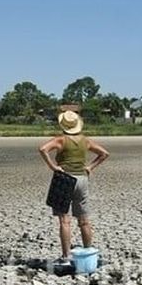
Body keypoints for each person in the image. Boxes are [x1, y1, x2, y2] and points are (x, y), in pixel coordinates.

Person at [38, 110, 109, 263]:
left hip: (65, 179)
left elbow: (43, 149)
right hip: (82, 179)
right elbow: (104, 154)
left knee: (65, 220)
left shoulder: (61, 140)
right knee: (84, 220)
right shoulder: (85, 140)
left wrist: (53, 166)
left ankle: (66, 256)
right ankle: (89, 253)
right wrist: (90, 167)